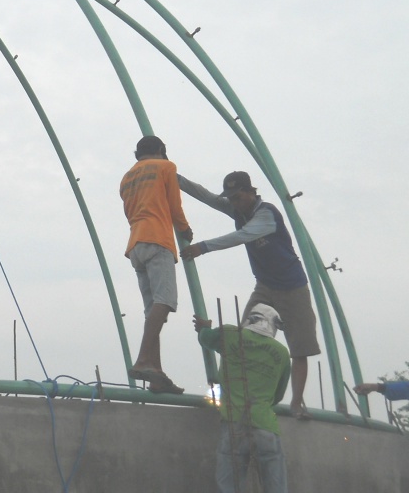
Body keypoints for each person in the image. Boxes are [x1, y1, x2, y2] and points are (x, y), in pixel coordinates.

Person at [178, 171, 320, 419]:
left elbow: (243, 235)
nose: (234, 202)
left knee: (300, 348)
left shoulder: (266, 214)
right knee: (242, 341)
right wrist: (175, 178)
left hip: (292, 286)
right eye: (231, 198)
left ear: (251, 192)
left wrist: (204, 247)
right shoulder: (238, 211)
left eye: (238, 196)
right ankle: (234, 397)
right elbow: (207, 196)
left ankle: (297, 404)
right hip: (264, 285)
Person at [120, 135, 192, 394]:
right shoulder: (166, 167)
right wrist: (185, 229)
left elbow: (129, 211)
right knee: (165, 302)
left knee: (153, 311)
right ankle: (143, 360)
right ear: (162, 150)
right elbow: (175, 205)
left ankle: (156, 373)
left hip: (136, 244)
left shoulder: (127, 178)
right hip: (158, 239)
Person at [194, 304, 291, 493]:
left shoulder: (230, 334)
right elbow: (277, 395)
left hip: (233, 424)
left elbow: (205, 338)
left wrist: (204, 327)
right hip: (266, 427)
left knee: (229, 486)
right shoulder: (281, 353)